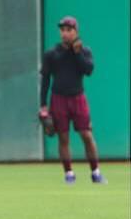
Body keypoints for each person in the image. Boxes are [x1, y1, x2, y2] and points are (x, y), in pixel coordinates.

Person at [40, 15, 106, 185]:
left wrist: (77, 53)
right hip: (58, 99)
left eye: (69, 30)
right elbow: (45, 79)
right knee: (63, 137)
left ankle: (95, 172)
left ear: (76, 31)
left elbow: (88, 70)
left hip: (78, 98)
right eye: (62, 30)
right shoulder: (52, 54)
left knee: (86, 134)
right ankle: (69, 173)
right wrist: (43, 105)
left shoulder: (84, 51)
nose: (65, 33)